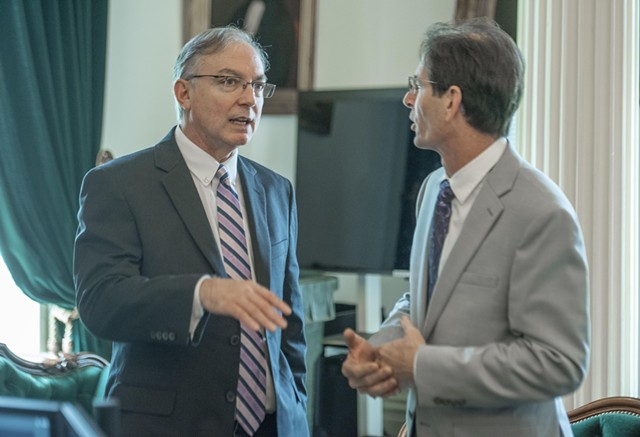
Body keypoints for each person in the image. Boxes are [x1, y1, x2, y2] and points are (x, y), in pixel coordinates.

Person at [341, 18, 589, 437]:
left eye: (417, 85)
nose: (407, 98)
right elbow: (425, 300)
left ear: (451, 100)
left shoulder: (544, 213)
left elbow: (558, 362)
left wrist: (421, 365)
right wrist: (381, 350)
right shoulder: (433, 189)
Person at [74, 26, 308, 437]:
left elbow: (290, 324)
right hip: (169, 425)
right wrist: (203, 294)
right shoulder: (118, 184)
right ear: (184, 93)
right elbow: (101, 301)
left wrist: (296, 404)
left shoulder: (276, 190)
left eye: (257, 85)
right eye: (228, 82)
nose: (249, 99)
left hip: (275, 425)